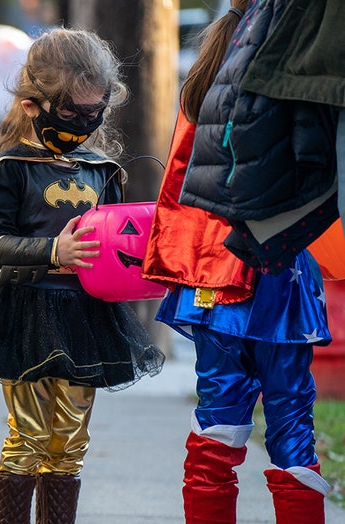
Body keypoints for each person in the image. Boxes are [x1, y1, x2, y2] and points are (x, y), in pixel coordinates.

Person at [0, 28, 165, 524]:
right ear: (31, 104)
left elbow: (120, 244)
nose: (84, 125)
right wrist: (53, 250)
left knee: (70, 441)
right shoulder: (11, 167)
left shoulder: (101, 171)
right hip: (27, 311)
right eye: (70, 114)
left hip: (87, 318)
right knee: (27, 437)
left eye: (95, 114)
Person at [141, 2, 333, 522]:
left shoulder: (206, 78)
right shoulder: (286, 66)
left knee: (217, 422)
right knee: (292, 422)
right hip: (280, 269)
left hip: (211, 272)